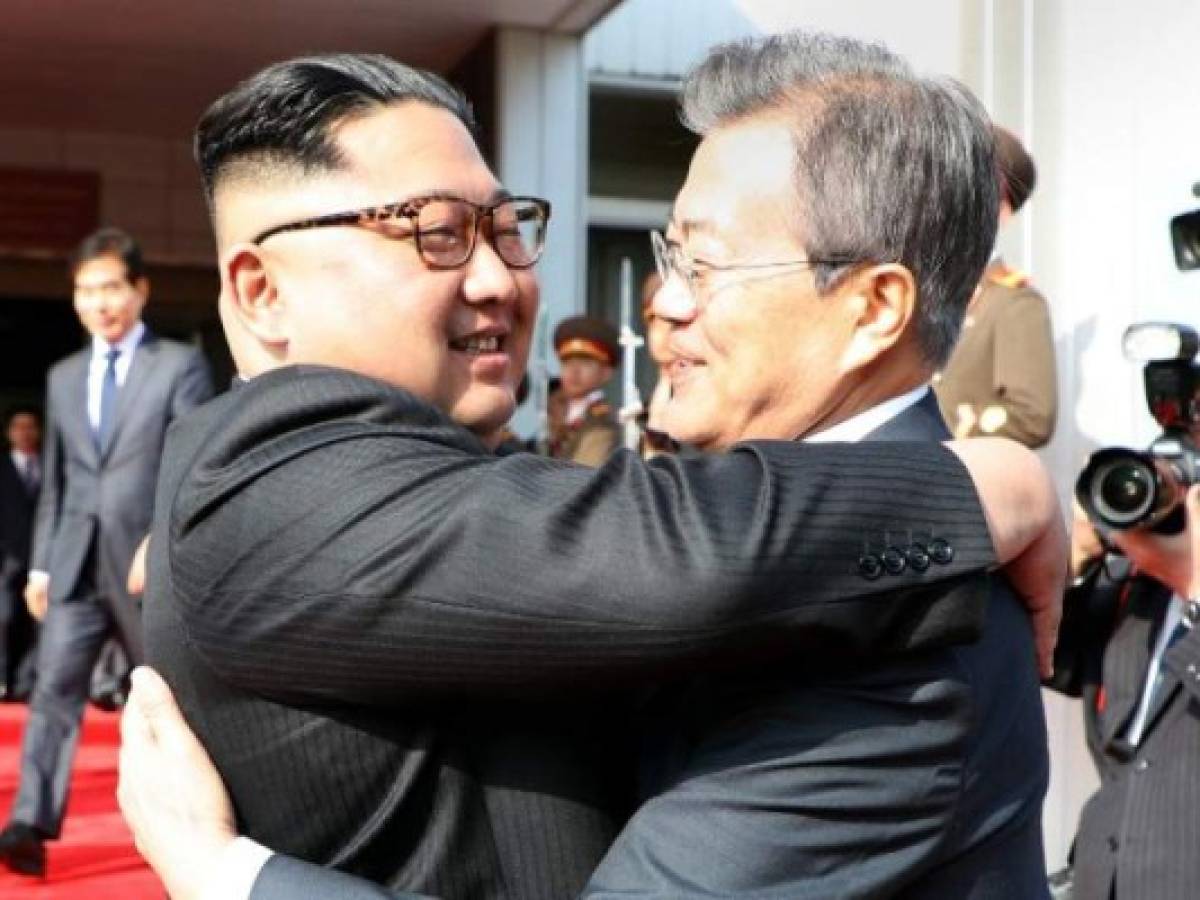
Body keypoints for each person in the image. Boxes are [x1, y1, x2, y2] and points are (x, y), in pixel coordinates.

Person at [121, 50, 1064, 900]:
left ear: (872, 309)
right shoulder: (277, 483)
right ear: (262, 291)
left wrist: (234, 880)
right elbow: (653, 547)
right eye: (436, 234)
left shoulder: (909, 640)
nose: (664, 307)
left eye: (501, 228)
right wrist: (990, 486)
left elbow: (630, 547)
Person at [0, 227, 214, 877]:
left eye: (111, 288)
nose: (100, 303)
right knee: (54, 693)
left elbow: (193, 463)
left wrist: (166, 542)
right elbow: (59, 481)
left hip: (146, 563)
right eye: (86, 291)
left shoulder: (179, 366)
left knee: (170, 697)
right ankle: (29, 823)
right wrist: (40, 564)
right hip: (73, 564)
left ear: (140, 290)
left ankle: (207, 822)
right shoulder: (65, 377)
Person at [1047, 489, 1200, 900]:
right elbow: (1052, 661)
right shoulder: (1144, 583)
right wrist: (1073, 558)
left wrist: (1195, 588)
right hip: (1104, 874)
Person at [934, 125, 1057, 447]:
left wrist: (941, 426)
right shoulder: (916, 291)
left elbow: (1033, 416)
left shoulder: (1013, 304)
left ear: (999, 205)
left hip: (960, 481)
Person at [0, 407, 42, 701]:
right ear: (8, 433)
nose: (25, 432)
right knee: (4, 618)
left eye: (31, 426)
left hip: (42, 557)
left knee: (38, 620)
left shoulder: (52, 467)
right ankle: (2, 680)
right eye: (18, 426)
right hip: (5, 558)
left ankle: (29, 682)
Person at [551, 315, 622, 465]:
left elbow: (585, 471)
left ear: (606, 373)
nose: (574, 370)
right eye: (567, 362)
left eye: (585, 362)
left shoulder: (603, 422)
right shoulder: (552, 413)